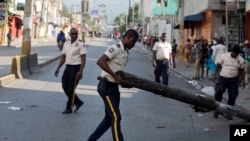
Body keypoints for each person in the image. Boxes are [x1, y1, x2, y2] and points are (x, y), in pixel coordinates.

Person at [87, 29, 138, 141]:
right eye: (133, 41)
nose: (133, 44)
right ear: (128, 37)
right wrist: (115, 77)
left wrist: (124, 84)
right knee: (115, 117)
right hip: (106, 87)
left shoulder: (124, 52)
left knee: (109, 118)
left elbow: (118, 73)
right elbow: (100, 61)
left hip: (113, 88)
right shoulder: (116, 48)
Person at [54, 28, 87, 114]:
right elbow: (63, 57)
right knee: (65, 86)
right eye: (73, 34)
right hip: (68, 67)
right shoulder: (66, 44)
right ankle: (78, 102)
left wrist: (81, 71)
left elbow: (83, 58)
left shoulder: (81, 44)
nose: (74, 35)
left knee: (71, 88)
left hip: (76, 68)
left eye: (76, 33)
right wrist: (58, 68)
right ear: (69, 34)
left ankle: (69, 107)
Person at [213, 45, 245, 120]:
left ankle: (229, 113)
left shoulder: (240, 59)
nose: (235, 55)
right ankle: (217, 110)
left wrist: (243, 80)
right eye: (234, 53)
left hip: (234, 79)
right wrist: (215, 75)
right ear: (231, 51)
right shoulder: (224, 56)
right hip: (223, 78)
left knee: (233, 96)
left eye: (236, 54)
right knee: (219, 92)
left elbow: (242, 70)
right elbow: (218, 65)